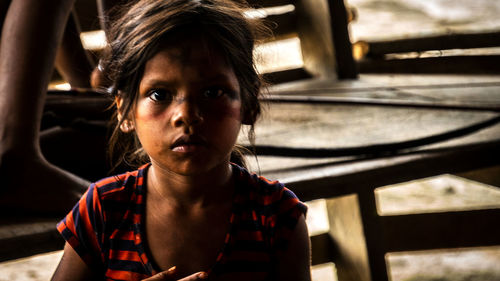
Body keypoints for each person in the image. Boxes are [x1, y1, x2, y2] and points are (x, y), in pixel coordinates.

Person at [51, 0, 312, 280]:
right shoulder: (103, 210)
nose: (187, 115)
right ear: (124, 111)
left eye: (213, 92)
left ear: (249, 105)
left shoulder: (276, 216)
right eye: (159, 94)